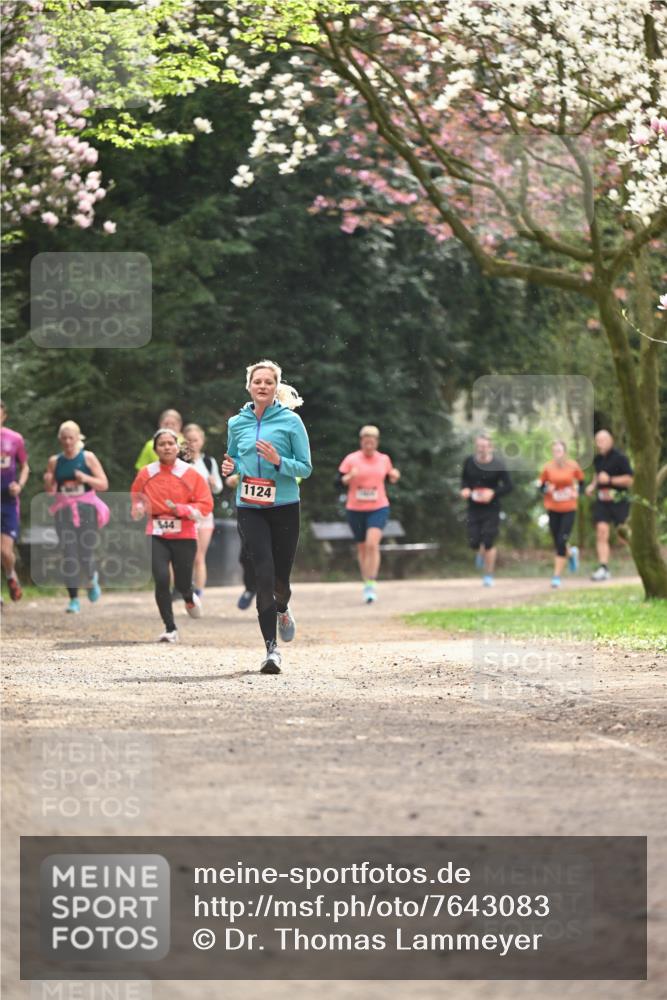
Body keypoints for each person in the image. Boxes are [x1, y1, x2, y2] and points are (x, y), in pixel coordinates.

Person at [221, 359, 312, 674]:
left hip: (284, 506)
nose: (262, 386)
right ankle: (271, 650)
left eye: (268, 382)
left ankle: (283, 608)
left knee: (280, 581)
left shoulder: (291, 422)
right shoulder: (236, 423)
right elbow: (234, 457)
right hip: (249, 507)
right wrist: (230, 466)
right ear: (249, 386)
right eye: (257, 381)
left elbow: (305, 467)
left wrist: (278, 461)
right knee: (263, 573)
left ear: (276, 387)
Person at [130, 428, 212, 642]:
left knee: (182, 582)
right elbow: (136, 497)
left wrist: (182, 509)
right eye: (161, 444)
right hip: (156, 531)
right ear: (155, 449)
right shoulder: (146, 473)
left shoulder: (190, 473)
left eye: (170, 443)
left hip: (184, 532)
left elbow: (205, 504)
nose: (166, 447)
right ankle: (170, 628)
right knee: (161, 578)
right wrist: (138, 508)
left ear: (177, 447)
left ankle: (188, 596)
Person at [44, 420, 109, 613]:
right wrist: (48, 481)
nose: (67, 442)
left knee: (85, 553)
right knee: (69, 555)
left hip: (86, 510)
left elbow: (104, 484)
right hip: (64, 511)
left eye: (70, 438)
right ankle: (73, 600)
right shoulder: (54, 461)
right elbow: (50, 492)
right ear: (60, 439)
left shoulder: (88, 457)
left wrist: (85, 478)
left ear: (77, 438)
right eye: (64, 438)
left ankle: (91, 578)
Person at [337, 425, 401, 604]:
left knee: (372, 544)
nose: (369, 446)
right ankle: (366, 582)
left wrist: (394, 476)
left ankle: (371, 582)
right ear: (361, 442)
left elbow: (390, 477)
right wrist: (348, 477)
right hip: (355, 509)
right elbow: (338, 481)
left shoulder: (384, 459)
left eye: (372, 442)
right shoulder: (351, 459)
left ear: (377, 442)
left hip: (378, 507)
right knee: (362, 547)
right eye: (366, 442)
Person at [460, 433, 513, 586]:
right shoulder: (469, 462)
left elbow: (509, 486)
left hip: (492, 509)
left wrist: (493, 493)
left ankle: (488, 575)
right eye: (479, 446)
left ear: (491, 447)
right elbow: (464, 480)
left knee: (488, 541)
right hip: (473, 508)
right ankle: (480, 553)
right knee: (474, 542)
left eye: (484, 446)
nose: (481, 449)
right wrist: (465, 489)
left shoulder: (498, 464)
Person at [585, 429, 634, 581]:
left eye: (602, 440)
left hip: (619, 501)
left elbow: (630, 480)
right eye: (597, 441)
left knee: (624, 536)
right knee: (601, 532)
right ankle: (603, 568)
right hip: (602, 502)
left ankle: (641, 562)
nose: (599, 444)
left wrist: (610, 480)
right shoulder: (598, 459)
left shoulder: (620, 458)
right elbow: (598, 475)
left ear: (610, 440)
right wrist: (592, 486)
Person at [538, 440, 584, 588]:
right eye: (554, 451)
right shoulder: (547, 468)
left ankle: (556, 577)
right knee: (557, 540)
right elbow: (541, 487)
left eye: (559, 451)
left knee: (561, 541)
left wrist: (577, 492)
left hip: (569, 508)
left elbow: (581, 482)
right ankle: (571, 554)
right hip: (553, 508)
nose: (557, 454)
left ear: (565, 453)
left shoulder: (573, 466)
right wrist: (547, 489)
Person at [183, 423, 222, 597]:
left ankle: (198, 593)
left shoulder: (209, 462)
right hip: (185, 514)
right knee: (186, 555)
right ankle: (183, 588)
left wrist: (214, 484)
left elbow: (218, 488)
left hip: (205, 514)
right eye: (189, 440)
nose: (192, 444)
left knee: (199, 556)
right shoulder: (179, 462)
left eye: (195, 440)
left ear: (202, 441)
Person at [1, 401, 30, 602]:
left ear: (4, 416)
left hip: (8, 501)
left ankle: (11, 575)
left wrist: (19, 485)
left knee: (5, 551)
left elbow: (25, 466)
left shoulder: (14, 438)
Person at [223, 471, 257, 610]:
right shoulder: (245, 455)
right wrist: (235, 477)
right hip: (248, 508)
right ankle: (250, 588)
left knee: (271, 553)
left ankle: (277, 591)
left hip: (277, 506)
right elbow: (232, 474)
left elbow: (298, 473)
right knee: (245, 556)